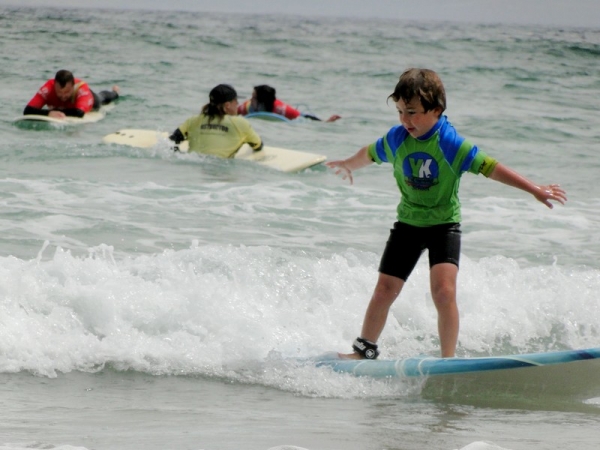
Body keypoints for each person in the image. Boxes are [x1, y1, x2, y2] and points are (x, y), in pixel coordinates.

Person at [326, 68, 567, 360]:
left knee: (443, 292)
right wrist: (350, 164)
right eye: (401, 112)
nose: (405, 120)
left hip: (444, 227)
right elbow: (371, 152)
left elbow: (492, 168)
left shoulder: (451, 144)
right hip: (407, 225)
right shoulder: (397, 138)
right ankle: (364, 350)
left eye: (413, 112)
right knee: (383, 290)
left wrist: (534, 189)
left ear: (436, 110)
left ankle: (447, 360)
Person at [169, 84, 263, 158]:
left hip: (193, 167)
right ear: (227, 105)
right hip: (220, 171)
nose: (238, 104)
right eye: (235, 101)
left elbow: (172, 140)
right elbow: (257, 146)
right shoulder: (240, 123)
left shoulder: (193, 120)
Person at [23, 69, 119, 119]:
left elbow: (78, 113)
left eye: (67, 92)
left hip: (93, 101)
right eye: (59, 92)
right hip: (67, 108)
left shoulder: (81, 89)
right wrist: (49, 113)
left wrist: (56, 112)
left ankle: (115, 92)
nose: (63, 95)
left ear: (73, 87)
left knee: (102, 97)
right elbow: (27, 110)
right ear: (54, 86)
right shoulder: (48, 88)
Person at [237, 84, 341, 122]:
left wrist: (324, 122)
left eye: (254, 97)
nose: (250, 100)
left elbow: (303, 116)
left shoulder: (280, 109)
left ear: (262, 101)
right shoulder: (246, 107)